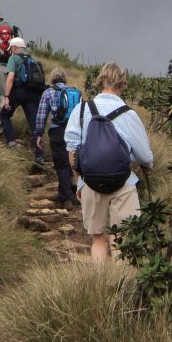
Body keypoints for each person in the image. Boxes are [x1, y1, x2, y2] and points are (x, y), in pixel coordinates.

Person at [65, 62, 154, 263]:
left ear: (100, 82)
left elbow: (72, 151)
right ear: (122, 84)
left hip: (90, 181)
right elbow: (144, 155)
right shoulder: (129, 113)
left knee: (98, 239)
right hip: (123, 182)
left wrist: (80, 181)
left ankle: (101, 286)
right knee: (122, 239)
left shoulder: (81, 110)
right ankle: (121, 289)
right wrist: (148, 164)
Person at [34, 68, 80, 209]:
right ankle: (73, 193)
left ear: (52, 79)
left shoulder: (48, 92)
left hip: (57, 132)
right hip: (74, 131)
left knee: (61, 164)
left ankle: (66, 199)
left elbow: (41, 114)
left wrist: (39, 134)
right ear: (64, 79)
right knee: (72, 163)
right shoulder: (74, 92)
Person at [0, 37, 44, 158]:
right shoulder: (32, 59)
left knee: (4, 115)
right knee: (34, 124)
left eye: (11, 48)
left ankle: (11, 143)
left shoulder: (14, 58)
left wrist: (7, 96)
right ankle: (40, 155)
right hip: (33, 93)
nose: (11, 51)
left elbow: (11, 77)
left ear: (15, 47)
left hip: (18, 92)